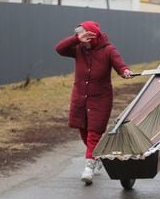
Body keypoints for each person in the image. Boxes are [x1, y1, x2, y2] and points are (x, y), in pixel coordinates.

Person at [55, 21, 132, 185]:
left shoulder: (108, 50)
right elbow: (59, 48)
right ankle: (97, 155)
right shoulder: (78, 49)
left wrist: (125, 71)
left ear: (92, 35)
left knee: (94, 133)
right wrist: (76, 39)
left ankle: (89, 167)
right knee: (83, 131)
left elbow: (119, 63)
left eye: (84, 34)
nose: (82, 37)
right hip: (80, 98)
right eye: (79, 34)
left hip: (100, 99)